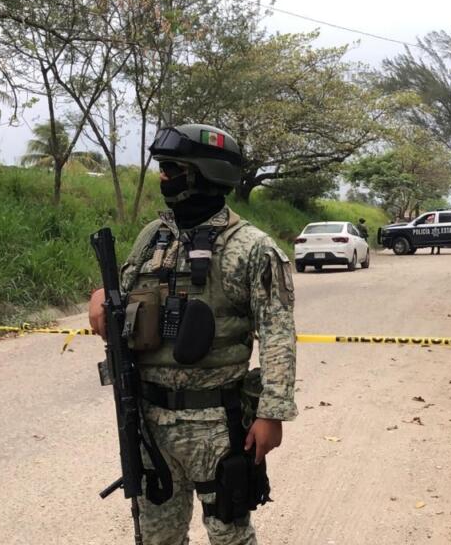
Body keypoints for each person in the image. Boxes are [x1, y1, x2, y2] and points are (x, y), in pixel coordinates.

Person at [88, 124, 297, 545]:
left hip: (217, 425)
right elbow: (124, 296)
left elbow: (278, 337)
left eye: (171, 168)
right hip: (148, 419)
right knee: (156, 537)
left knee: (229, 536)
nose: (163, 177)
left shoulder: (253, 247)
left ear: (203, 172)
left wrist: (271, 413)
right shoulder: (153, 237)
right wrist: (98, 300)